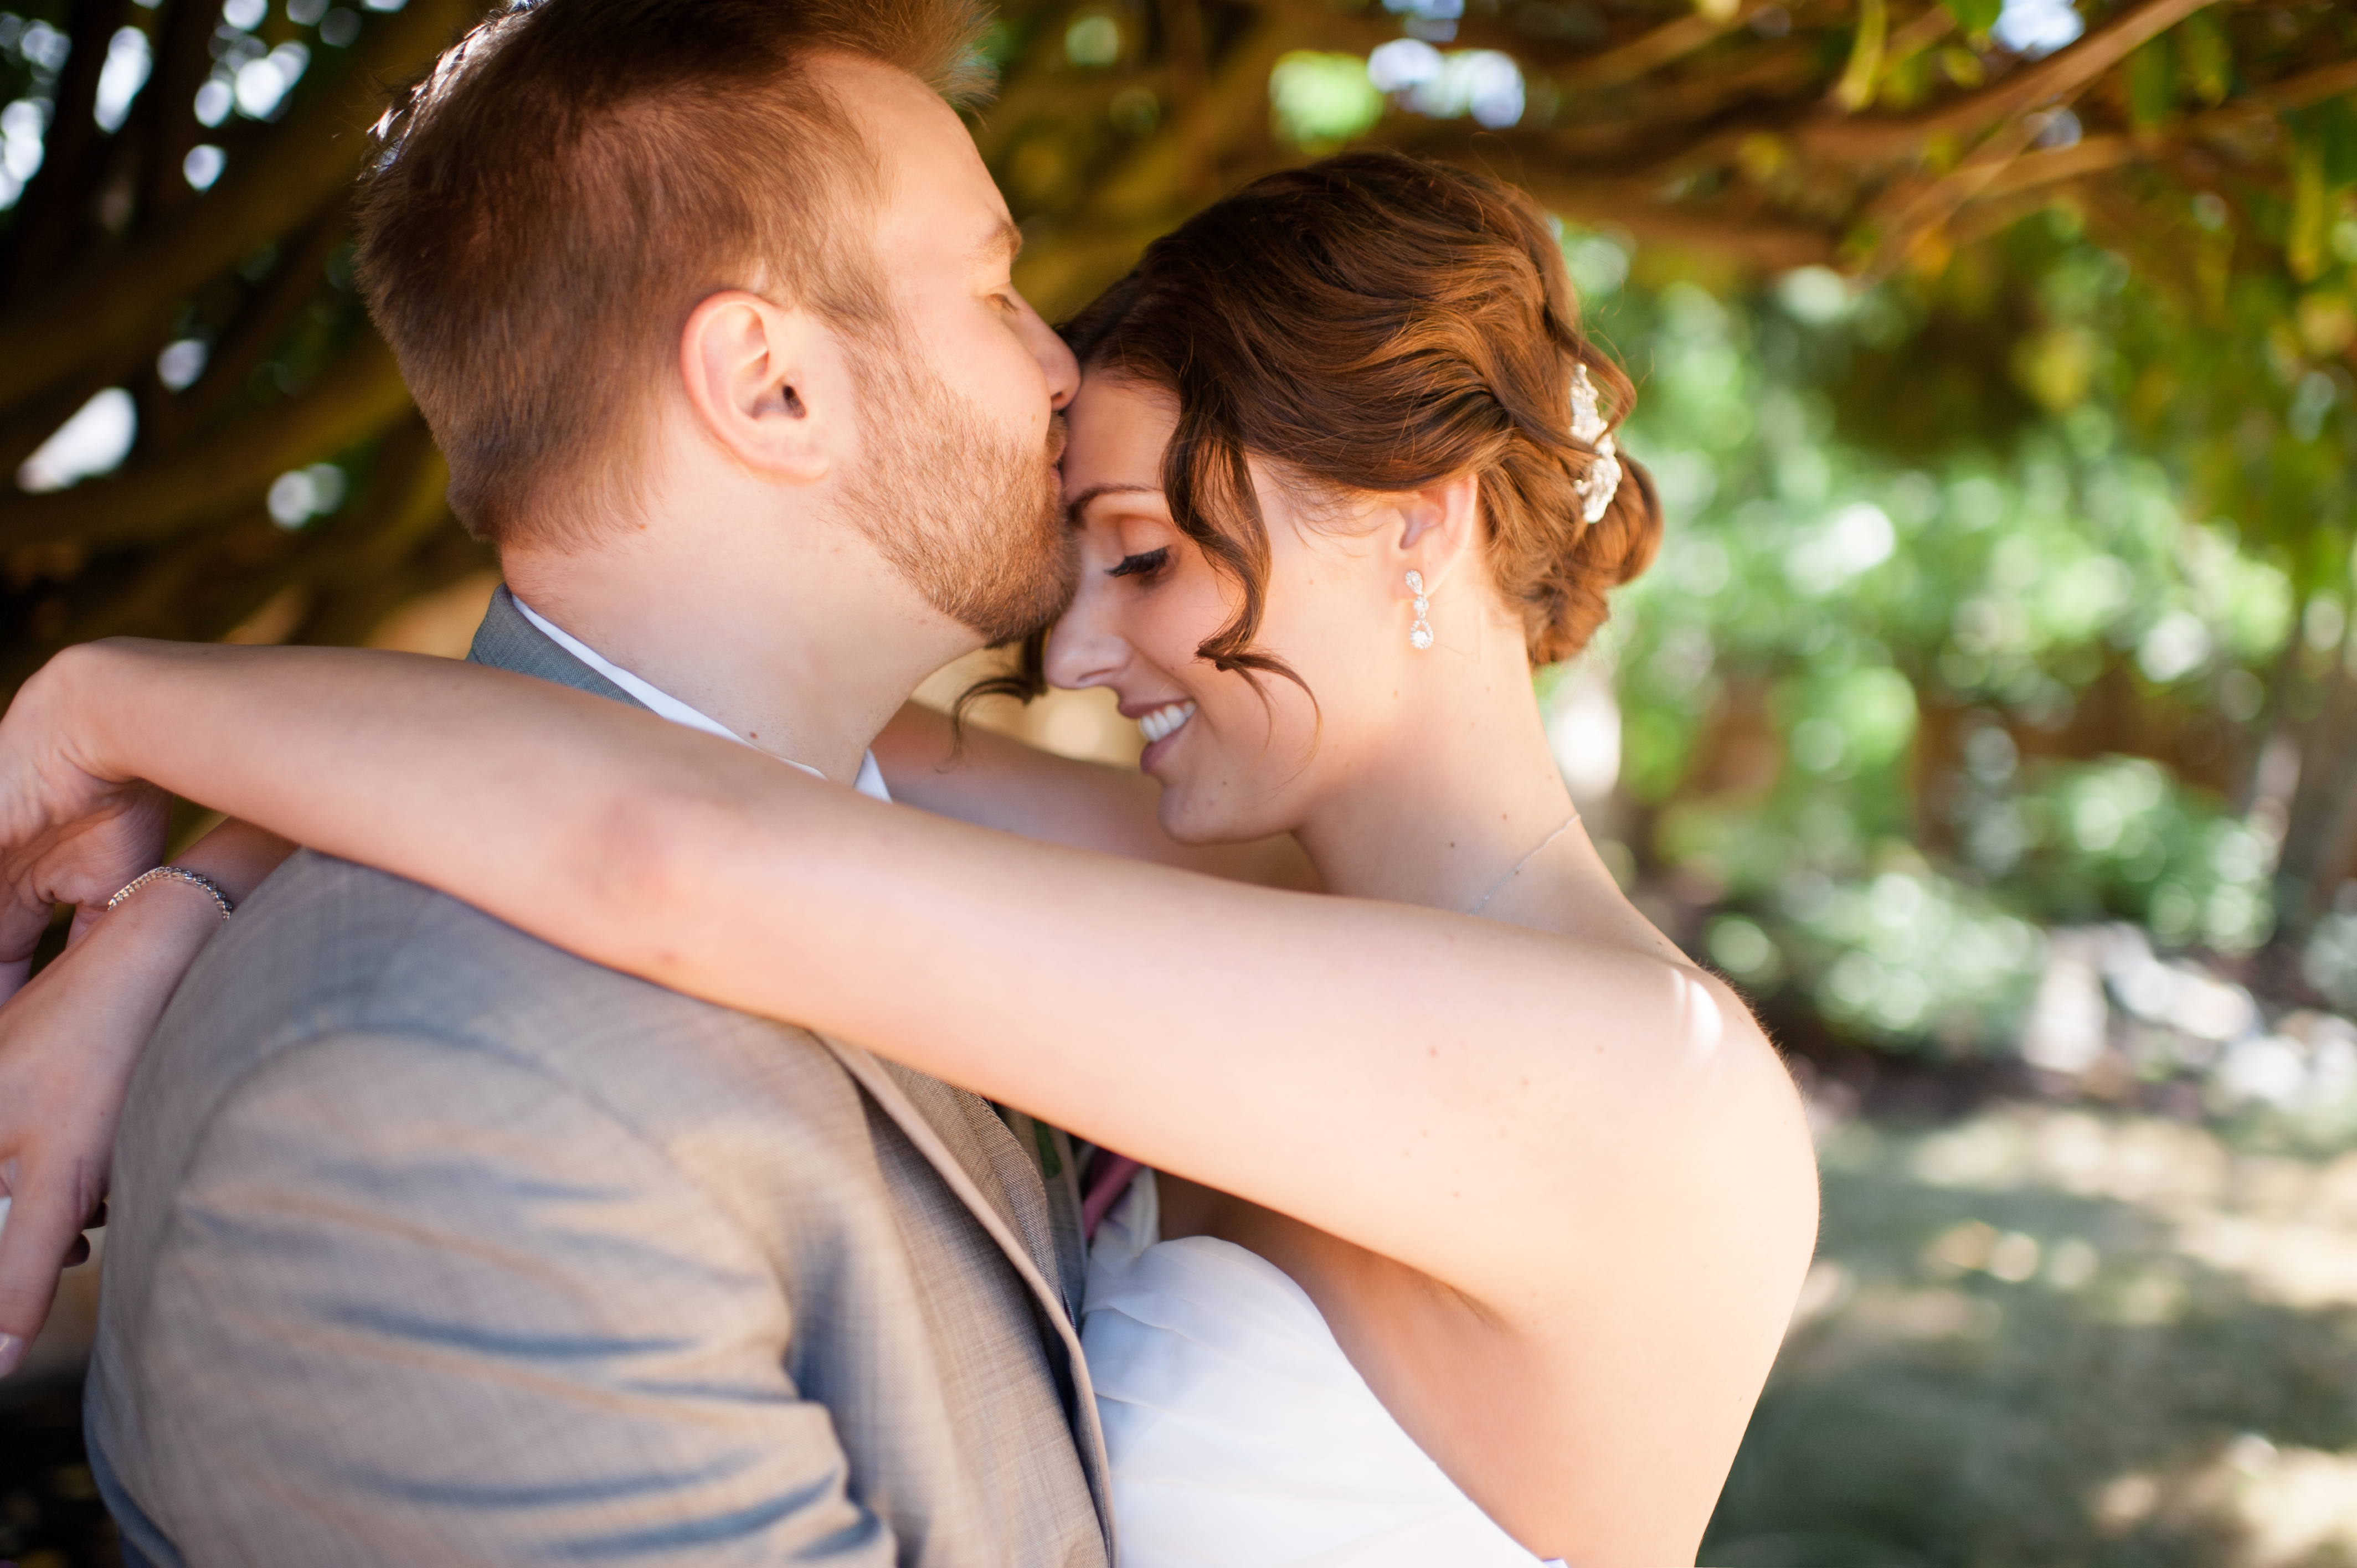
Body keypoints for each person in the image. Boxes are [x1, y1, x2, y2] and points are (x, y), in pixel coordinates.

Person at [0, 39, 1818, 1568]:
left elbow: (684, 848)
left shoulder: (1636, 1085)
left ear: (1417, 513)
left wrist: (104, 701)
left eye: (1152, 558)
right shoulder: (1252, 892)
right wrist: (178, 911)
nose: (1084, 655)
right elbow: (677, 743)